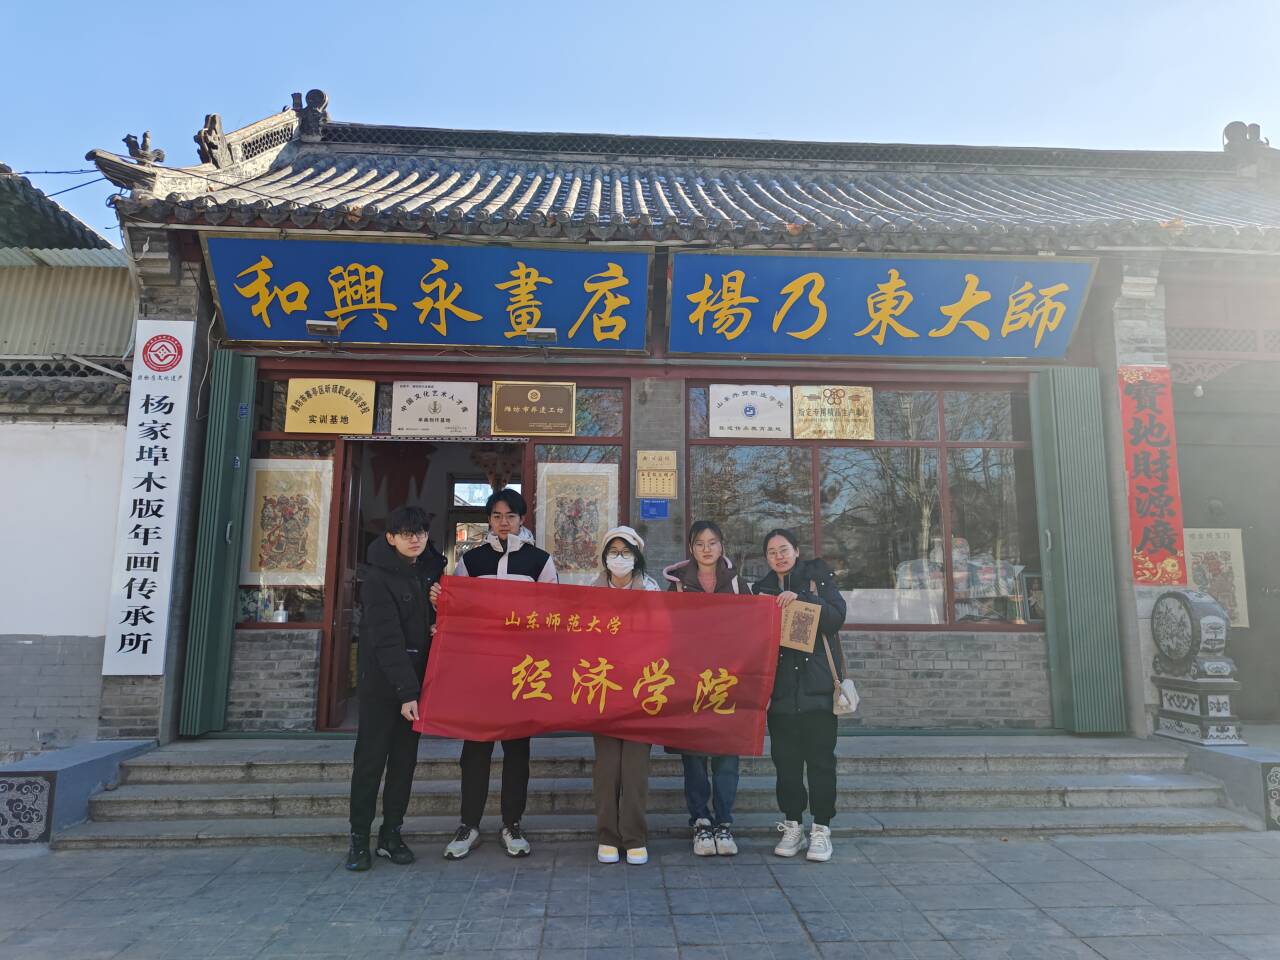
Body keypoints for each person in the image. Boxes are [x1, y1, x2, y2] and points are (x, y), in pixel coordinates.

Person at [441, 487, 557, 861]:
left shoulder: (540, 561)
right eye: (496, 516)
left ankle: (512, 824)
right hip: (481, 671)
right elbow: (457, 612)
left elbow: (553, 613)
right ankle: (469, 824)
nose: (503, 522)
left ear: (522, 519)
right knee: (474, 750)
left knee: (517, 752)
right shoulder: (472, 561)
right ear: (488, 520)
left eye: (510, 516)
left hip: (522, 671)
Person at [345, 505, 446, 871]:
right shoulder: (376, 578)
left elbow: (435, 621)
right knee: (370, 762)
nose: (414, 539)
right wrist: (406, 692)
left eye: (420, 532)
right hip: (384, 685)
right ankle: (359, 839)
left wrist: (439, 616)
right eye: (406, 533)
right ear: (390, 538)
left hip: (417, 685)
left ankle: (391, 834)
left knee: (404, 763)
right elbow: (385, 638)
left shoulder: (432, 570)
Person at [751, 528, 848, 863]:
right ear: (766, 558)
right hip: (780, 695)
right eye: (772, 552)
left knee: (821, 762)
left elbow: (836, 618)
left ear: (796, 551)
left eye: (784, 549)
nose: (779, 556)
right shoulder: (761, 590)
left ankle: (821, 828)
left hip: (817, 691)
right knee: (787, 765)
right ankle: (793, 825)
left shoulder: (818, 580)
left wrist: (804, 600)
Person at [662, 520, 745, 857]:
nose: (707, 549)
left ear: (722, 545)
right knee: (694, 758)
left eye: (712, 542)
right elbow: (666, 633)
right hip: (692, 683)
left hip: (729, 682)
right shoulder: (678, 586)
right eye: (700, 543)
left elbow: (753, 631)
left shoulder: (737, 584)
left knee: (727, 756)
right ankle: (700, 821)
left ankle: (724, 821)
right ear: (691, 549)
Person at [588, 525, 660, 866]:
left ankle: (634, 837)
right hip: (603, 688)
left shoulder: (652, 590)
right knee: (607, 767)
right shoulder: (590, 592)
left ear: (637, 556)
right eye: (614, 552)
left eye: (626, 552)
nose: (620, 558)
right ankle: (607, 835)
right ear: (605, 557)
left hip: (641, 690)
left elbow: (664, 636)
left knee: (634, 768)